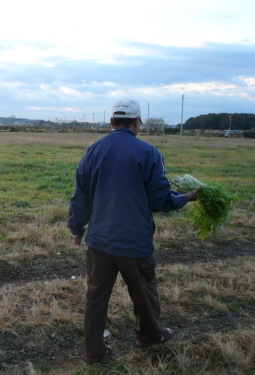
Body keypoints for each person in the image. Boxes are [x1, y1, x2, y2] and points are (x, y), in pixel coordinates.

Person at [67, 99, 199, 363]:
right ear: (137, 122)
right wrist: (186, 197)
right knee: (143, 292)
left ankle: (93, 352)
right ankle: (148, 335)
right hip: (134, 241)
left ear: (111, 122)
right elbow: (160, 200)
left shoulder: (92, 151)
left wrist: (77, 228)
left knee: (96, 297)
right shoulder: (149, 153)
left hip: (99, 240)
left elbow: (81, 196)